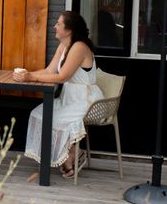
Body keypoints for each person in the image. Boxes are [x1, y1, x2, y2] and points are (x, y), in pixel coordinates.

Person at [13, 10, 103, 178]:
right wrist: (26, 75)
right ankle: (72, 154)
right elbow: (49, 71)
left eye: (58, 24)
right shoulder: (64, 46)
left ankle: (71, 156)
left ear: (69, 30)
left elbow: (62, 77)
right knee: (38, 114)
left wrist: (32, 77)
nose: (55, 26)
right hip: (68, 98)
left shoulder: (79, 47)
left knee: (56, 119)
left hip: (85, 99)